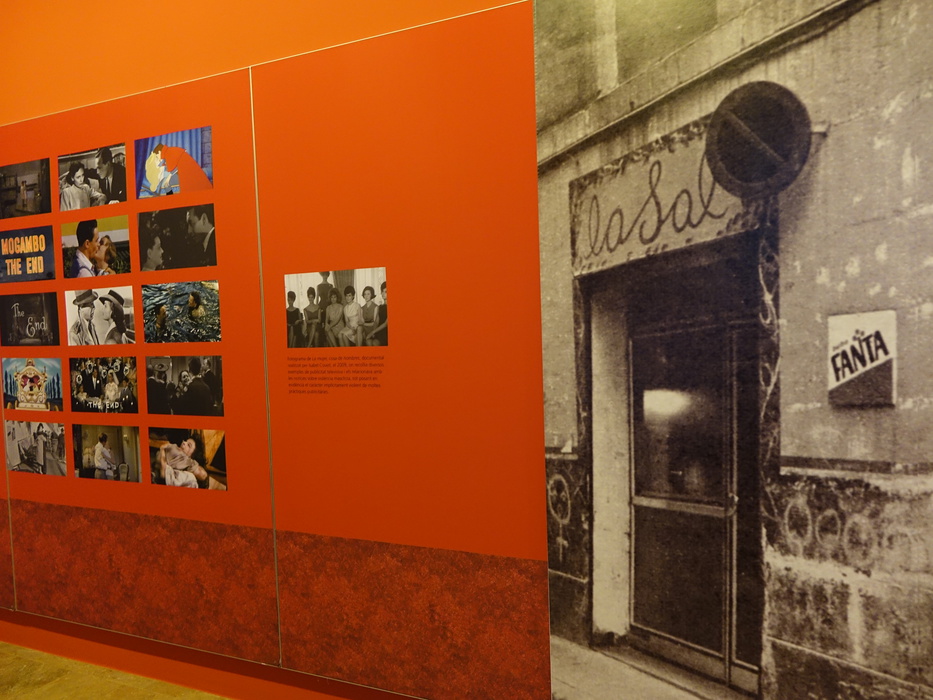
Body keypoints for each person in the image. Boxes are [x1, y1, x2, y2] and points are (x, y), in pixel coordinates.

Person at [368, 281, 388, 346]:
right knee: (368, 341)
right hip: (378, 330)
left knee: (374, 343)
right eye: (382, 291)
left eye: (386, 292)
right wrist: (373, 332)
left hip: (386, 331)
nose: (383, 293)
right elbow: (376, 322)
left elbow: (386, 324)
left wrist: (373, 332)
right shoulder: (380, 307)